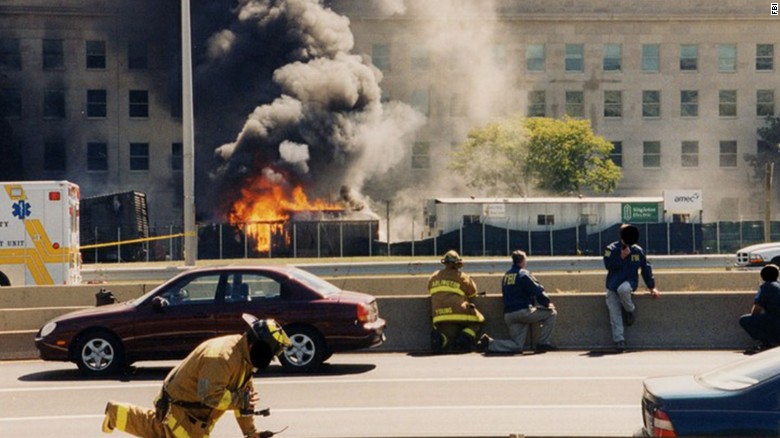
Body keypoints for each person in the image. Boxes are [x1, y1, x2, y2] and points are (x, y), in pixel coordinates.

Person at [101, 315, 291, 438]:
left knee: (156, 429)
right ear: (255, 346)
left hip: (191, 411)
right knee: (162, 430)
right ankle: (115, 413)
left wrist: (251, 433)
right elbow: (208, 395)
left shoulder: (245, 361)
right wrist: (239, 400)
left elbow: (244, 402)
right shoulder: (222, 358)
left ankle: (115, 412)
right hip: (183, 412)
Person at [478, 250, 557, 354]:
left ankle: (489, 343)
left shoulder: (506, 276)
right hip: (523, 312)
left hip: (509, 315)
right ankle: (543, 343)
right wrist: (547, 303)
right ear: (523, 261)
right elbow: (537, 290)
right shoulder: (523, 273)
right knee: (551, 313)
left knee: (517, 346)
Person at [603, 224, 660, 352]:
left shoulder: (637, 250)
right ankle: (619, 341)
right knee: (614, 314)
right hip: (612, 285)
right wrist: (621, 257)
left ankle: (630, 310)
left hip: (629, 283)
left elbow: (646, 269)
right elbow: (608, 266)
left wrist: (652, 287)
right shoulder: (610, 249)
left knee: (623, 290)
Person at [428, 250, 485, 352]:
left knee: (448, 331)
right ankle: (463, 339)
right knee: (478, 321)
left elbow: (431, 291)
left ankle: (442, 340)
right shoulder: (462, 277)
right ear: (458, 264)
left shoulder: (434, 277)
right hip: (458, 312)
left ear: (444, 263)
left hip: (439, 315)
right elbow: (472, 293)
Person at [740, 264, 780, 355]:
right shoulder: (778, 285)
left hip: (775, 320)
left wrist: (754, 319)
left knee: (744, 320)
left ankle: (766, 343)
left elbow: (756, 309)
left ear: (762, 276)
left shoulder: (765, 287)